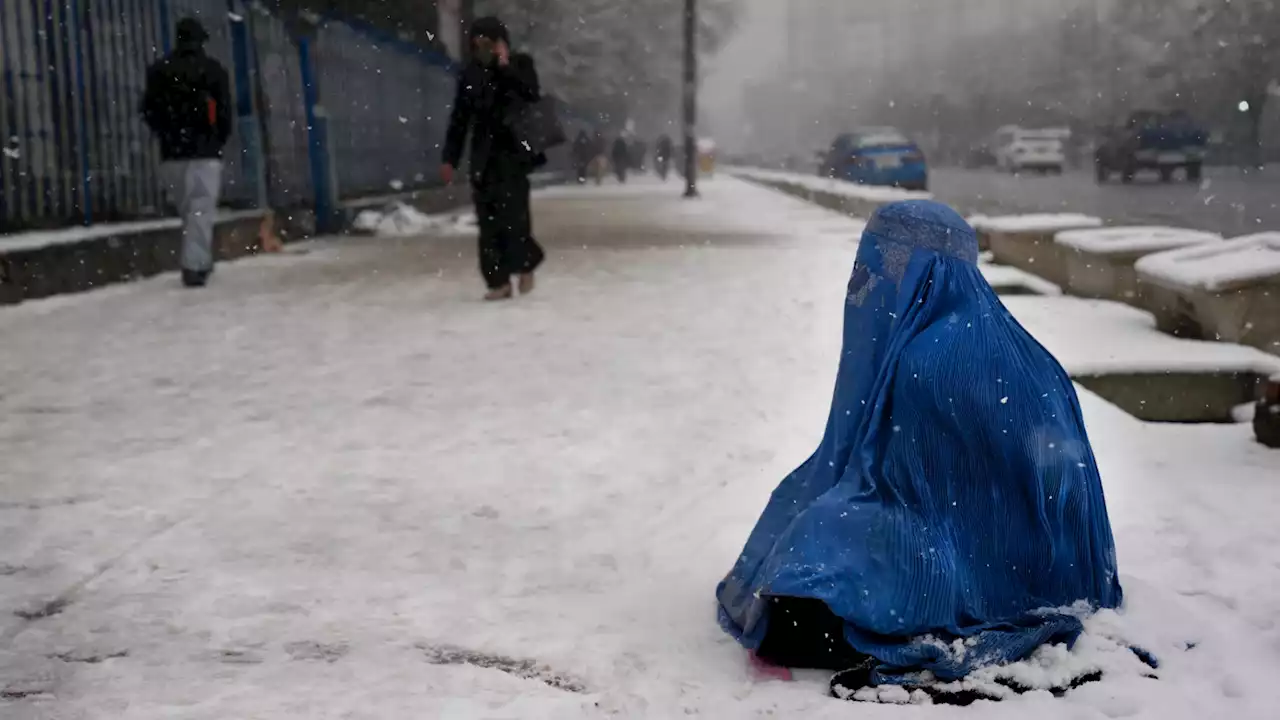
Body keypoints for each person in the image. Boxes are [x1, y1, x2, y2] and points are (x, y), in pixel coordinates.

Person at [716, 200, 1124, 703]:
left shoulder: (933, 359)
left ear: (925, 276)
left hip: (995, 564)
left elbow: (929, 503)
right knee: (807, 517)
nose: (863, 289)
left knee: (812, 559)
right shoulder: (980, 333)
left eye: (880, 270)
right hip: (1041, 558)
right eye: (860, 272)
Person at [442, 16, 545, 301]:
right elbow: (459, 119)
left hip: (513, 156)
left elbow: (531, 94)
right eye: (476, 45)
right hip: (484, 158)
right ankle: (497, 281)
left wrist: (505, 66)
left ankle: (525, 264)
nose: (482, 49)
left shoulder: (520, 65)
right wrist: (450, 157)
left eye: (488, 43)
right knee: (488, 222)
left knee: (514, 217)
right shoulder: (470, 74)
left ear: (501, 42)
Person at [141, 18, 232, 288]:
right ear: (201, 40)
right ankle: (194, 266)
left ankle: (200, 259)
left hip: (172, 153)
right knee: (201, 209)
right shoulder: (214, 70)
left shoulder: (159, 71)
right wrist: (216, 138)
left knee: (188, 210)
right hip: (205, 151)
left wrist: (167, 135)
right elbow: (225, 113)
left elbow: (149, 110)